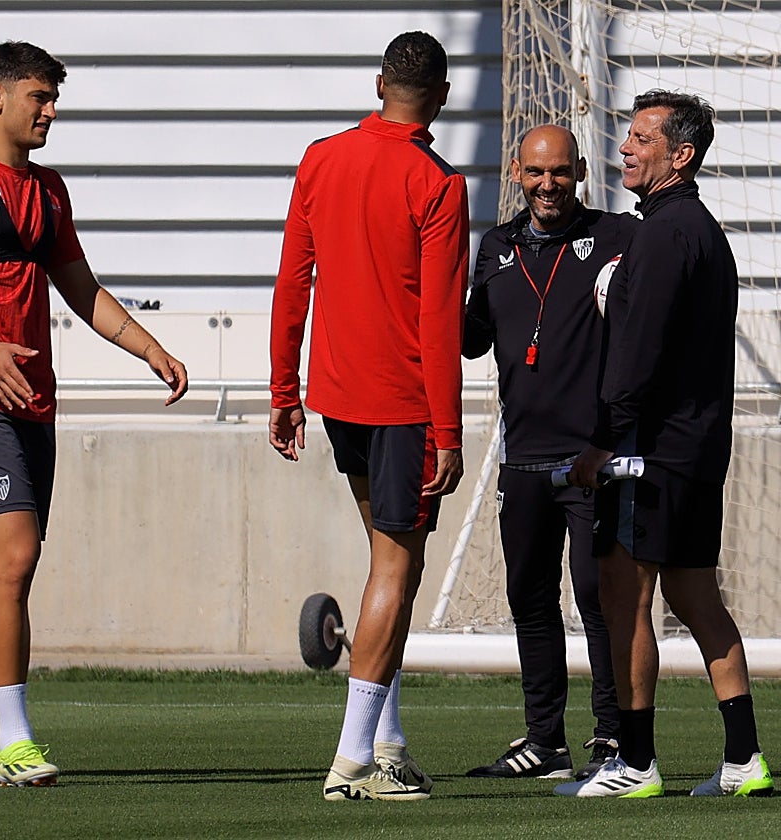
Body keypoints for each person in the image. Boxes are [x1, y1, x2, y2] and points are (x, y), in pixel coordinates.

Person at [0, 40, 188, 787]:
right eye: (39, 96)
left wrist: (152, 349)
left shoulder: (51, 191)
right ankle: (16, 740)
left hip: (34, 405)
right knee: (16, 556)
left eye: (53, 97)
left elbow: (83, 290)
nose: (51, 111)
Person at [269, 30, 468, 802]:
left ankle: (387, 739)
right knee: (398, 568)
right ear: (442, 98)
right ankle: (353, 760)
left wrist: (283, 388)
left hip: (337, 397)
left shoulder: (322, 157)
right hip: (402, 403)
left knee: (387, 562)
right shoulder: (438, 184)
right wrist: (448, 431)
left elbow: (294, 279)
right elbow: (441, 324)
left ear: (378, 83)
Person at [556, 90, 773, 798]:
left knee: (625, 593)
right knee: (696, 596)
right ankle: (744, 759)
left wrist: (601, 444)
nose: (626, 148)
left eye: (642, 138)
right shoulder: (701, 229)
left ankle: (636, 762)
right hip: (696, 449)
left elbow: (637, 358)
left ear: (680, 155)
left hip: (649, 452)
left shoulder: (660, 234)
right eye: (628, 135)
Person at [463, 125, 636, 782]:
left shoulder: (617, 236)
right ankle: (544, 741)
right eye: (535, 173)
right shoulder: (496, 246)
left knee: (599, 597)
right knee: (529, 597)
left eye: (560, 173)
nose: (547, 186)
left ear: (582, 172)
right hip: (523, 459)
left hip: (594, 458)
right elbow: (473, 339)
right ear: (516, 172)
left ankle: (616, 738)